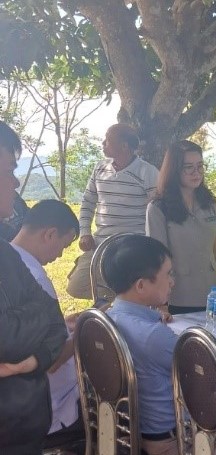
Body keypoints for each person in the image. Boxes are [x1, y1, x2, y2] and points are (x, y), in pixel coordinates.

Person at [0, 121, 67, 454]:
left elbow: (56, 329)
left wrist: (26, 362)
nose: (15, 183)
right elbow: (6, 339)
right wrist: (38, 314)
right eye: (9, 170)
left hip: (20, 429)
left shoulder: (8, 254)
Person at [10, 200, 83, 442]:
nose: (61, 254)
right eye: (64, 245)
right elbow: (51, 359)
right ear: (50, 234)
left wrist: (62, 324)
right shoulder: (34, 278)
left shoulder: (9, 264)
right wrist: (83, 332)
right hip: (49, 405)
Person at [104, 234, 178, 455]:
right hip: (170, 439)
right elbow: (205, 380)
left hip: (127, 430)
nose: (172, 282)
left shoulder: (108, 318)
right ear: (141, 285)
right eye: (168, 274)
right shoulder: (154, 335)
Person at [67, 124, 159, 302]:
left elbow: (156, 210)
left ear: (124, 146)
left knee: (125, 286)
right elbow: (88, 202)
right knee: (76, 286)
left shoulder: (147, 172)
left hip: (132, 246)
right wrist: (85, 233)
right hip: (100, 244)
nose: (103, 143)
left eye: (108, 140)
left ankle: (120, 304)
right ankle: (119, 301)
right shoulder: (99, 168)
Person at [146, 140, 216, 313]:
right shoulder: (158, 208)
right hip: (176, 298)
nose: (196, 173)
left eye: (200, 166)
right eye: (189, 167)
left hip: (212, 296)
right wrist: (161, 304)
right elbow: (157, 260)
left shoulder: (209, 203)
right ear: (174, 170)